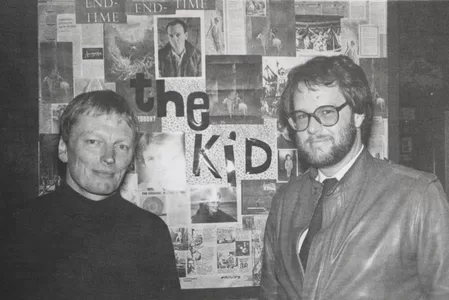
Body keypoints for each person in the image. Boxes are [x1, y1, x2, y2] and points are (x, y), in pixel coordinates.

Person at [260, 55, 449, 299]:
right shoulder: (285, 201)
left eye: (327, 113)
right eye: (302, 116)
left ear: (358, 115)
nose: (313, 128)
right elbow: (270, 292)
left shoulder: (417, 196)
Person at [2, 90, 180, 299]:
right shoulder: (17, 227)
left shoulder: (151, 232)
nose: (109, 157)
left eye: (121, 146)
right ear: (63, 149)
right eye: (94, 142)